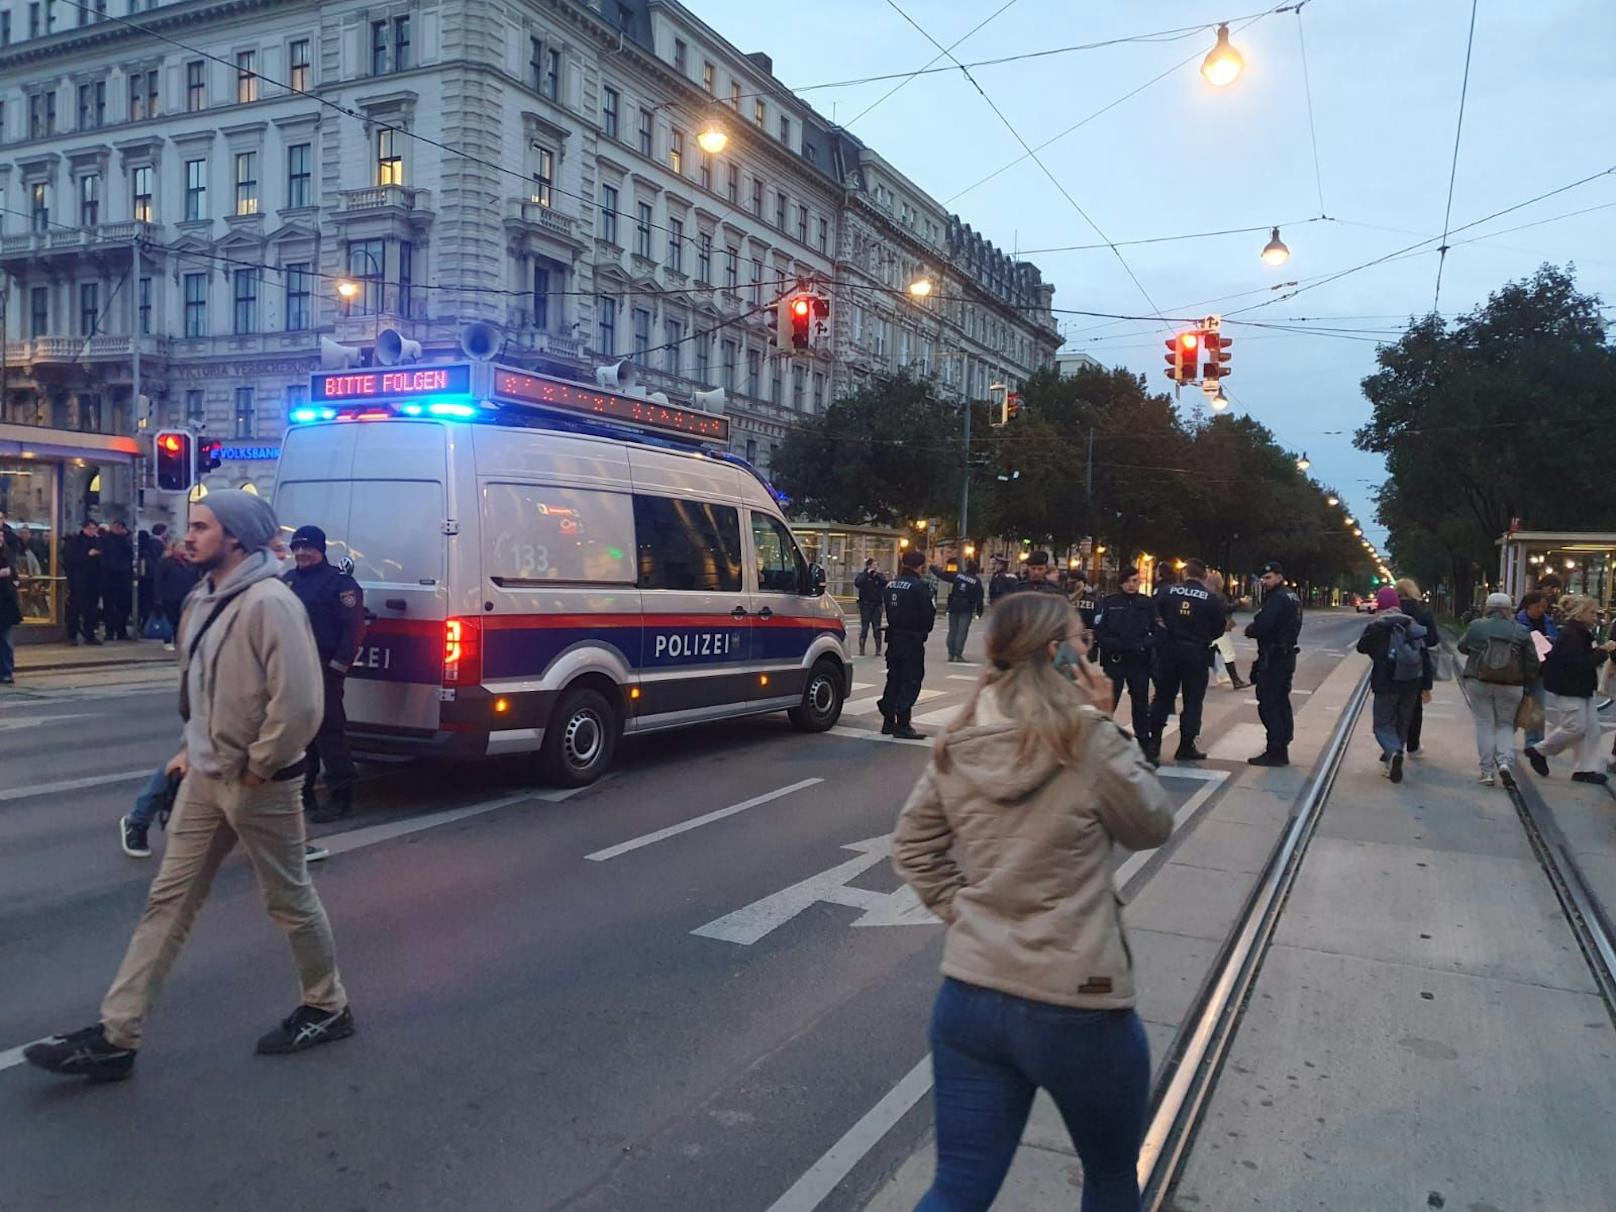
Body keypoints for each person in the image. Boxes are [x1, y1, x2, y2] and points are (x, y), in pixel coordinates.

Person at [26, 490, 350, 1083]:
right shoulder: (203, 598)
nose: (188, 536)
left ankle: (328, 1005)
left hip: (260, 784)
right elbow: (201, 685)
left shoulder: (270, 602)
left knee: (288, 898)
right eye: (189, 527)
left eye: (201, 527)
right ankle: (117, 1035)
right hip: (206, 777)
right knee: (166, 902)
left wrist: (258, 764)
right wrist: (190, 747)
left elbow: (301, 704)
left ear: (236, 537)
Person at [892, 591, 1173, 1212]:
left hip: (970, 994)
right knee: (1109, 1178)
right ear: (1058, 654)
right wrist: (1110, 724)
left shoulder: (960, 739)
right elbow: (1150, 826)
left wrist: (967, 915)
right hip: (1079, 1000)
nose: (1090, 647)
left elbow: (913, 849)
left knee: (958, 1187)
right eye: (1082, 639)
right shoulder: (1088, 739)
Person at [284, 525, 365, 823]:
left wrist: (339, 666)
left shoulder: (339, 584)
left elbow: (353, 629)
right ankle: (304, 793)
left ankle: (340, 796)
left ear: (321, 550)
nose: (302, 553)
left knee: (329, 733)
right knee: (300, 733)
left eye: (308, 548)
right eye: (297, 547)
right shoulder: (288, 580)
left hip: (324, 666)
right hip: (294, 667)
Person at [1526, 593, 1615, 784]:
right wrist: (1602, 651)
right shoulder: (1572, 635)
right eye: (1592, 612)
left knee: (1591, 729)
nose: (1595, 616)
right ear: (1580, 613)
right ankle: (1539, 750)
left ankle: (1585, 769)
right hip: (1569, 689)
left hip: (1581, 688)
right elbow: (1579, 663)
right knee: (1575, 727)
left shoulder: (1580, 633)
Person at [1457, 592, 1539, 788]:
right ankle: (1505, 763)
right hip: (1511, 685)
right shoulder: (1521, 630)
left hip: (1478, 681)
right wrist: (1527, 682)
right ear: (1509, 609)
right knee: (1505, 725)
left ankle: (1486, 772)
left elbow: (1462, 646)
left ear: (1488, 608)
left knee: (1484, 724)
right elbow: (1532, 662)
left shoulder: (1476, 626)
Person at [1146, 559, 1225, 765]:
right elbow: (1219, 628)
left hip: (1168, 652)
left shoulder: (1167, 592)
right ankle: (1186, 745)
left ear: (1184, 574)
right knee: (1193, 701)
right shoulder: (1211, 599)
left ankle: (1153, 745)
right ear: (1204, 576)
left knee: (1162, 698)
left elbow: (1154, 617)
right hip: (1196, 653)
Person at [1356, 585, 1431, 785]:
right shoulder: (1411, 623)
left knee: (1382, 723)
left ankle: (1394, 751)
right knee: (1402, 722)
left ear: (1380, 604)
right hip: (1411, 683)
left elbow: (1361, 647)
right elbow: (1424, 653)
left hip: (1386, 681)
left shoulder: (1378, 626)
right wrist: (1426, 684)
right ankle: (1393, 757)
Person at [1246, 562, 1303, 767]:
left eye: (1268, 577)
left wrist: (1252, 629)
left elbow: (1262, 626)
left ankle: (1275, 748)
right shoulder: (1292, 596)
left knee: (1270, 703)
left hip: (1274, 657)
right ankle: (1281, 746)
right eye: (1263, 578)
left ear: (1279, 576)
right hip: (1285, 656)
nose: (1265, 581)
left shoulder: (1277, 598)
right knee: (1281, 702)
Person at [1095, 566, 1159, 745]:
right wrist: (1118, 646)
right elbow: (1100, 632)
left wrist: (1143, 645)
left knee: (1140, 704)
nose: (1131, 585)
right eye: (1127, 581)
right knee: (1109, 702)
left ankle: (1144, 744)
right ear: (1121, 583)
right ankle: (1101, 743)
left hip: (1139, 661)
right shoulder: (1109, 602)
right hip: (1116, 659)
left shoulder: (1146, 603)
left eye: (1135, 581)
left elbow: (1157, 631)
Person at [876, 549, 936, 740]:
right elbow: (927, 615)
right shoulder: (920, 587)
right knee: (910, 680)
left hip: (894, 638)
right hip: (912, 639)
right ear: (920, 566)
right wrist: (924, 631)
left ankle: (888, 721)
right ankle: (903, 723)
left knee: (894, 678)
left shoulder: (891, 584)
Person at [1395, 578, 1441, 756]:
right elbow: (1433, 640)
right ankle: (1413, 746)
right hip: (1417, 666)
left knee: (1392, 706)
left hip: (1394, 665)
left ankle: (1392, 746)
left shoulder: (1393, 611)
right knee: (1415, 707)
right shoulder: (1423, 613)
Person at [1516, 590, 1558, 751]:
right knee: (1513, 709)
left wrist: (1550, 641)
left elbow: (1555, 638)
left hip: (1540, 671)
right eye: (1538, 606)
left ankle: (1534, 745)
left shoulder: (1548, 621)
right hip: (1519, 671)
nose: (1541, 610)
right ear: (1528, 606)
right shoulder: (1519, 621)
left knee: (1537, 709)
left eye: (1544, 607)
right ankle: (1503, 739)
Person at [932, 559, 985, 663]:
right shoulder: (976, 581)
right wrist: (979, 612)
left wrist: (933, 568)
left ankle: (950, 654)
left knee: (953, 630)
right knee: (962, 631)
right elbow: (979, 598)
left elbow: (943, 575)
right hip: (966, 607)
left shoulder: (958, 576)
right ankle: (958, 654)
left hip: (954, 605)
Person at [63, 518, 104, 646]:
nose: (93, 531)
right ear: (85, 528)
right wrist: (88, 555)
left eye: (95, 529)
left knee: (91, 610)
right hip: (79, 581)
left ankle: (89, 635)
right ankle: (72, 636)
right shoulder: (75, 541)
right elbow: (71, 559)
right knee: (75, 609)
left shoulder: (98, 541)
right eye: (91, 529)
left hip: (94, 581)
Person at [155, 538, 200, 652]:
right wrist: (158, 597)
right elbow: (159, 580)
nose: (183, 549)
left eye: (184, 547)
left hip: (188, 595)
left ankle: (181, 641)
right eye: (180, 547)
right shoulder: (166, 562)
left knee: (184, 620)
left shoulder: (191, 562)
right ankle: (168, 640)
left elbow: (197, 577)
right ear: (173, 548)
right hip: (171, 595)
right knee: (172, 620)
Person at [100, 520, 136, 641]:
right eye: (114, 527)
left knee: (124, 606)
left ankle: (121, 631)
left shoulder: (127, 539)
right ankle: (109, 632)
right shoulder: (105, 539)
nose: (116, 529)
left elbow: (132, 553)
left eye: (118, 527)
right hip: (109, 576)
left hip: (124, 576)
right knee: (109, 606)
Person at [137, 523, 168, 631]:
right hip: (153, 577)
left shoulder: (150, 543)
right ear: (163, 532)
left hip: (148, 576)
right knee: (150, 602)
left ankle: (143, 626)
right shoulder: (157, 544)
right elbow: (158, 561)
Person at [854, 558, 887, 657]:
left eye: (876, 565)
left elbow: (885, 583)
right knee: (864, 627)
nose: (875, 567)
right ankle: (861, 648)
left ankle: (878, 649)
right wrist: (867, 574)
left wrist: (876, 575)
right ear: (868, 566)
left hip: (877, 605)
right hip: (865, 605)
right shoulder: (862, 576)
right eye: (874, 565)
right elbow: (858, 583)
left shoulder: (879, 576)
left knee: (877, 627)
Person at [0, 537, 22, 684]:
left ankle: (6, 672)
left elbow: (13, 570)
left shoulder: (7, 553)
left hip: (5, 603)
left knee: (6, 641)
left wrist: (15, 580)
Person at [1070, 573, 1100, 658]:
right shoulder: (1066, 598)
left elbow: (1097, 623)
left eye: (1074, 582)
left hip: (1086, 642)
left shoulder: (1093, 601)